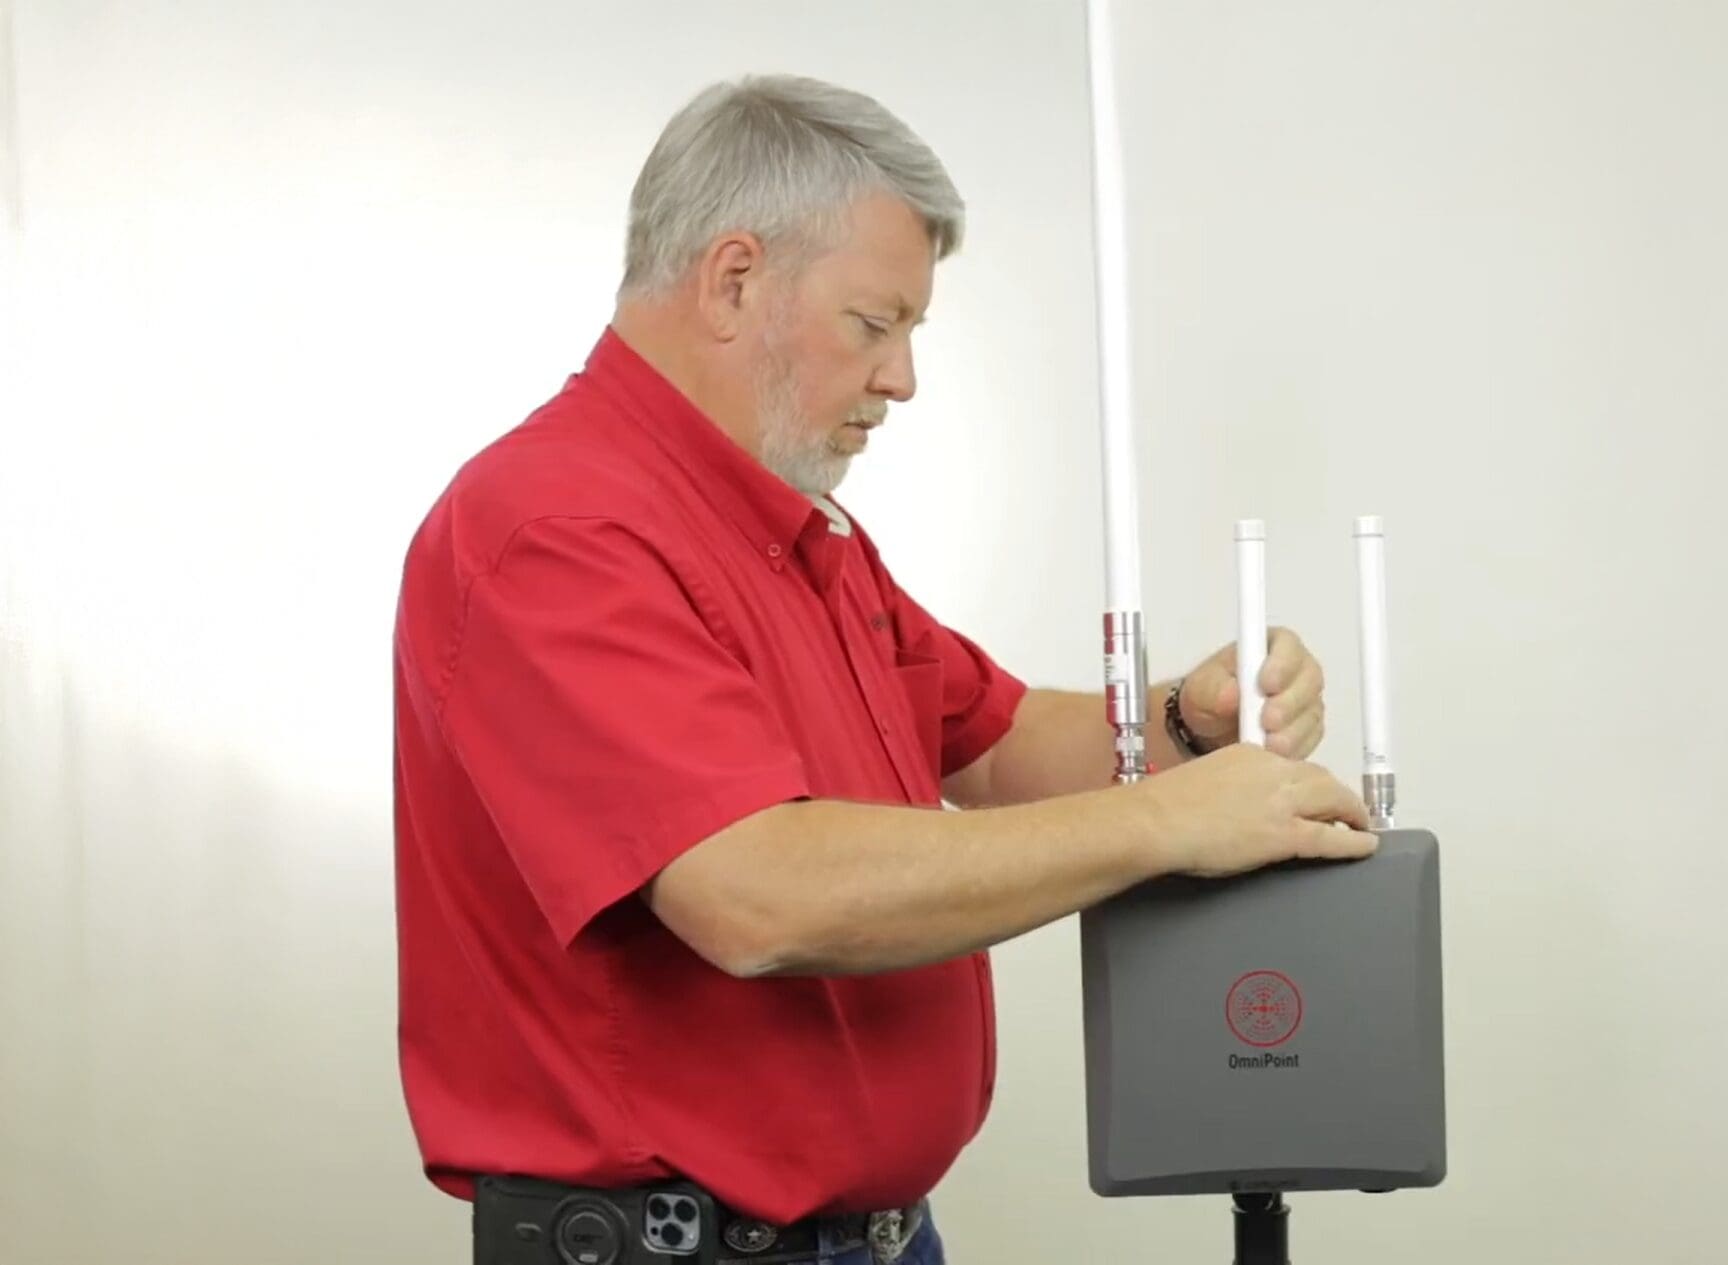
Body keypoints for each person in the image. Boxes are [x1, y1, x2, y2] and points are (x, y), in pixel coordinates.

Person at [391, 73, 1376, 1265]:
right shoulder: (556, 528)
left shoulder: (789, 531)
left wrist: (1185, 723)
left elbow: (995, 742)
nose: (902, 377)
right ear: (733, 279)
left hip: (865, 1240)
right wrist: (1166, 822)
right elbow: (754, 894)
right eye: (874, 324)